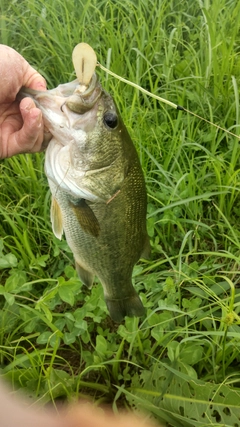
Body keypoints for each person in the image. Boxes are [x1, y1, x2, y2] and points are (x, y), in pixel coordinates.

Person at [0, 45, 162, 427]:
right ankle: (119, 293)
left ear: (112, 166)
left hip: (104, 241)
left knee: (112, 280)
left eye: (109, 122)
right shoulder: (84, 181)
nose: (105, 116)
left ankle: (117, 291)